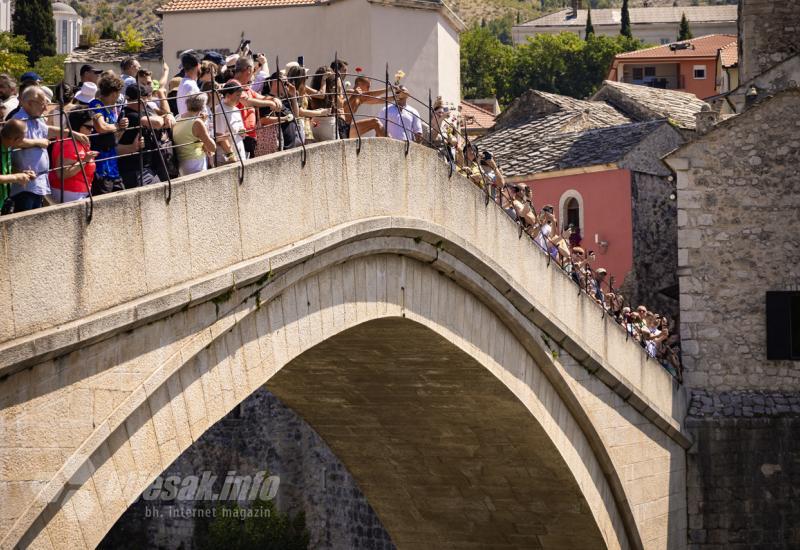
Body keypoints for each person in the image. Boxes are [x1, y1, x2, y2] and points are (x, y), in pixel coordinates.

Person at [8, 86, 90, 211]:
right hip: (25, 183)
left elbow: (48, 130)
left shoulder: (35, 118)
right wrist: (38, 142)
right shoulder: (18, 119)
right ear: (30, 103)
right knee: (27, 219)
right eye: (42, 104)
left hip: (37, 181)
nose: (46, 108)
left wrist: (72, 133)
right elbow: (13, 141)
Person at [117, 84, 168, 189]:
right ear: (141, 99)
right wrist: (167, 117)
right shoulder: (131, 115)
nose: (147, 100)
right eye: (146, 97)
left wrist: (167, 115)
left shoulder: (139, 111)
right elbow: (157, 123)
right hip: (136, 170)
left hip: (144, 168)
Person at [88, 74, 128, 195]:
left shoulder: (109, 110)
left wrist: (122, 128)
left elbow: (115, 138)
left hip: (113, 166)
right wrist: (117, 126)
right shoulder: (96, 104)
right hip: (101, 167)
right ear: (114, 93)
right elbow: (101, 127)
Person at [49, 110, 98, 203]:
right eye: (88, 127)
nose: (92, 130)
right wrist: (85, 161)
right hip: (70, 193)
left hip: (75, 192)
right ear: (77, 125)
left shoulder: (77, 141)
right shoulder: (69, 143)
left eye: (93, 127)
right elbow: (63, 173)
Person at [173, 93, 216, 175]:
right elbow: (212, 147)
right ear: (203, 107)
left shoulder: (177, 117)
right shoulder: (197, 122)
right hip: (195, 163)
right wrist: (204, 124)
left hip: (181, 162)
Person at [0, 120, 36, 213]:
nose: (24, 141)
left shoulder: (6, 145)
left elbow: (5, 168)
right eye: (22, 138)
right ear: (15, 139)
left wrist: (21, 173)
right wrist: (16, 177)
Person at [214, 79, 247, 164]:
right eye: (237, 95)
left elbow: (241, 130)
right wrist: (231, 157)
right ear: (228, 95)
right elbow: (220, 137)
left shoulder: (236, 109)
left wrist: (243, 131)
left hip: (240, 155)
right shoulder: (219, 110)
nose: (240, 97)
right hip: (228, 160)